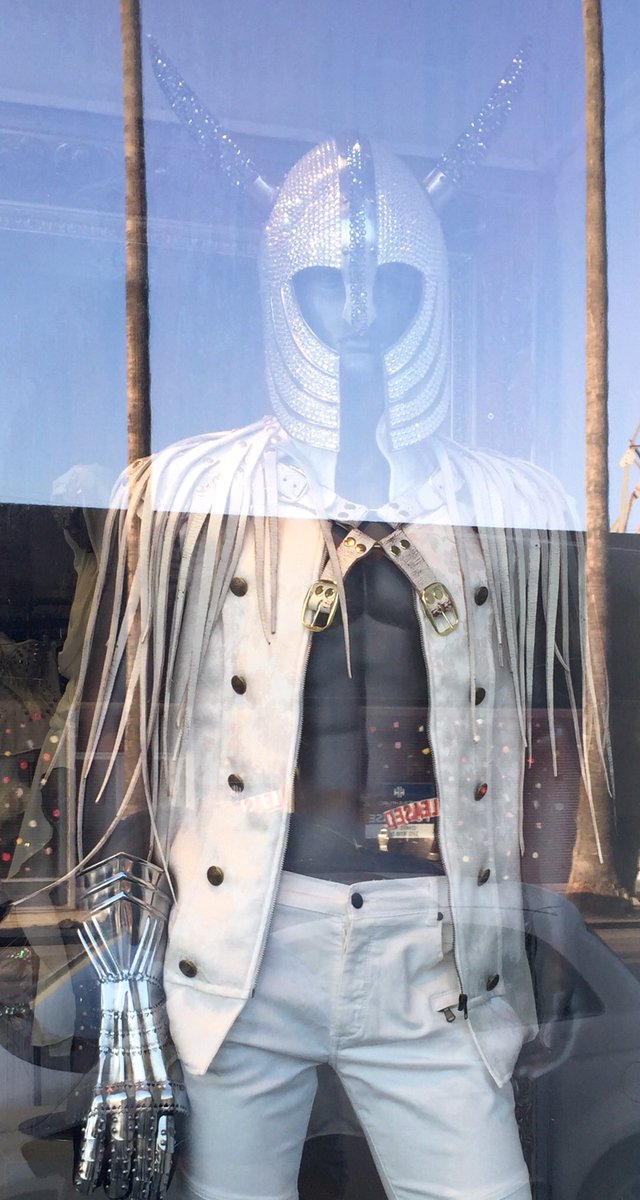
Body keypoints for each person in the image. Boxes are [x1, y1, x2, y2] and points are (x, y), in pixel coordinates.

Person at [58, 45, 605, 1200]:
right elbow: (115, 736)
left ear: (433, 292)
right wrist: (121, 979)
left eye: (390, 287)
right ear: (278, 290)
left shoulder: (511, 507)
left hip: (439, 950)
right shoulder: (187, 500)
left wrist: (545, 918)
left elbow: (547, 733)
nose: (358, 319)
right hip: (234, 947)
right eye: (324, 286)